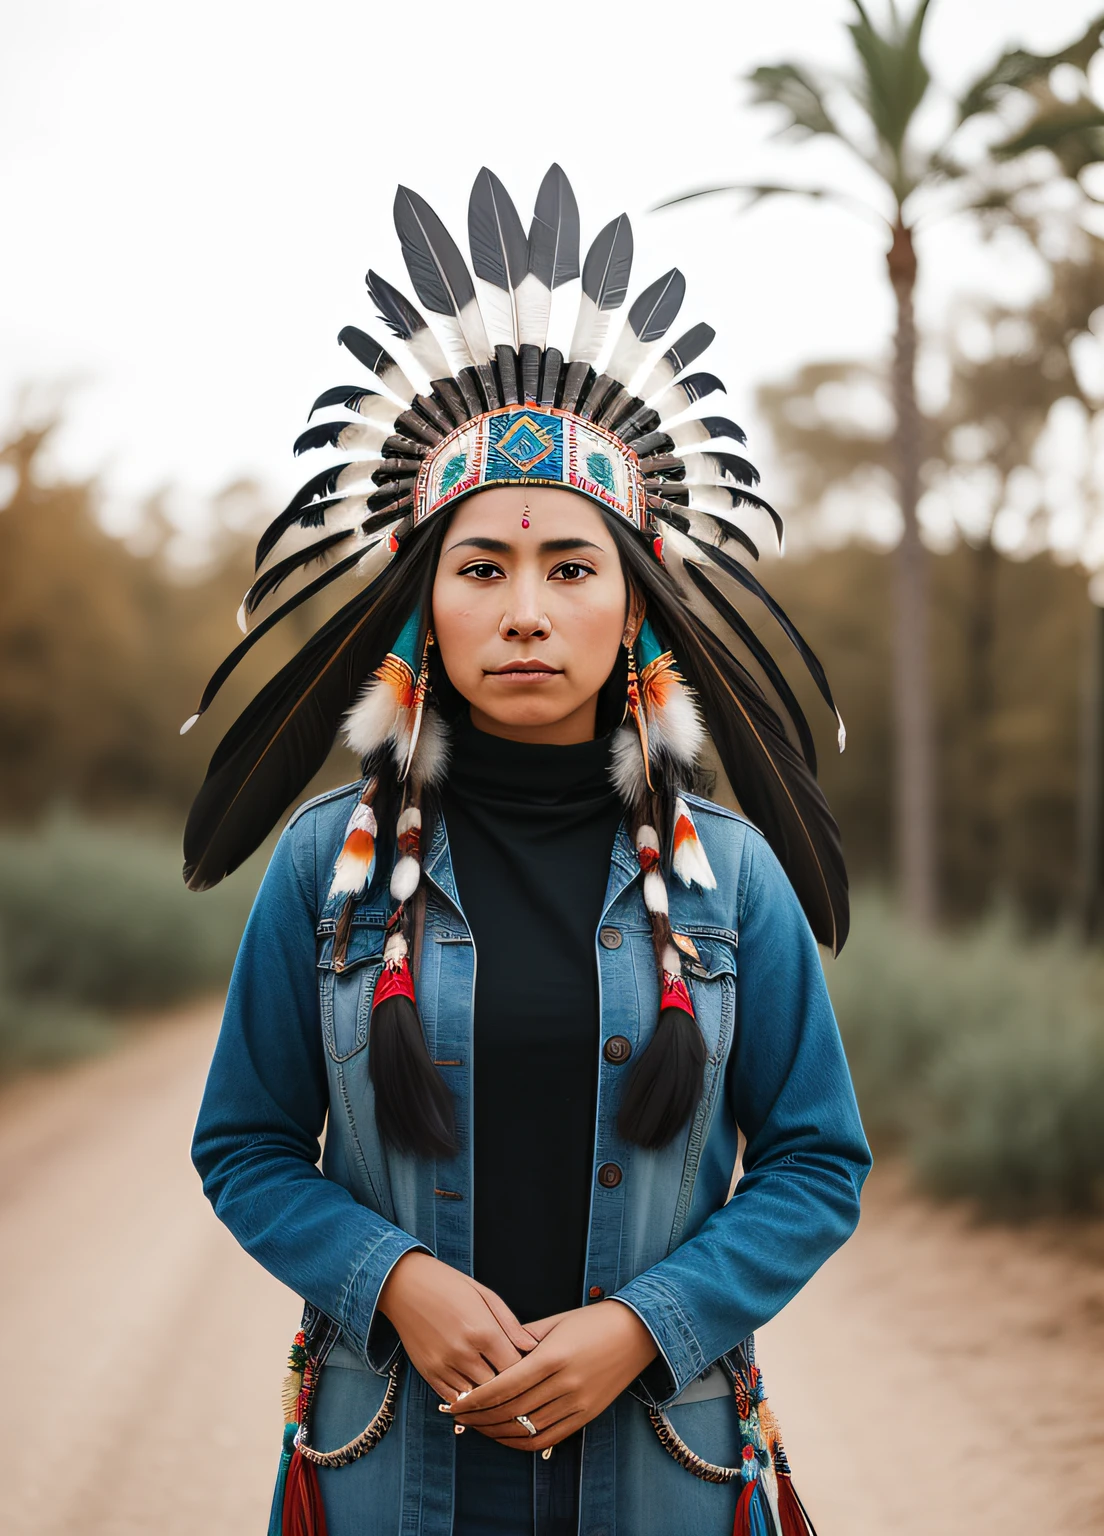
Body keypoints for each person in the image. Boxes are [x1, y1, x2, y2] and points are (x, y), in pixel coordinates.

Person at [186, 165, 871, 1536]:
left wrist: (643, 1324)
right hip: (388, 1462)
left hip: (660, 1466)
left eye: (572, 567)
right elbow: (247, 1144)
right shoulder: (326, 870)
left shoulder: (729, 880)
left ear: (633, 611)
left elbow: (815, 1162)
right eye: (481, 568)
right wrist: (391, 1279)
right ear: (423, 606)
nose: (525, 611)